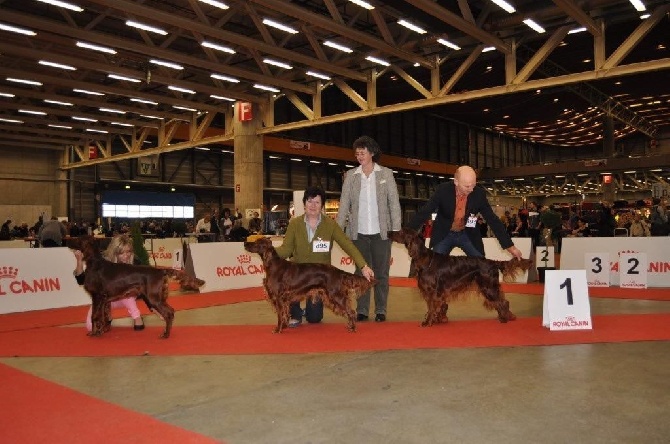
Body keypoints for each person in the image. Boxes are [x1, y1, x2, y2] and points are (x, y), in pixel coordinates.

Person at [276, 186, 374, 328]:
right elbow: (286, 250)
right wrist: (269, 251)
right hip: (297, 277)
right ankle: (295, 313)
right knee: (290, 293)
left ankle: (308, 311)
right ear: (304, 203)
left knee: (314, 318)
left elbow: (347, 245)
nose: (313, 205)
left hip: (320, 278)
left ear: (322, 205)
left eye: (317, 202)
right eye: (310, 201)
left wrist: (363, 265)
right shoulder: (295, 224)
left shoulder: (330, 225)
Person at [336, 136, 402, 323]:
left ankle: (381, 309)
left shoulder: (386, 174)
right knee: (361, 272)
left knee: (381, 273)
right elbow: (344, 206)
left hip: (381, 233)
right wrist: (338, 231)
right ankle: (362, 309)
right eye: (357, 153)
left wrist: (395, 231)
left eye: (362, 153)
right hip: (359, 233)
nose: (359, 156)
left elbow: (394, 204)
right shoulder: (350, 176)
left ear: (372, 153)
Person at [409, 165, 523, 260]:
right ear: (456, 181)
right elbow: (425, 211)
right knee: (434, 267)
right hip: (445, 233)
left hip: (467, 234)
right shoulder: (442, 190)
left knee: (481, 266)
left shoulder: (479, 194)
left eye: (473, 185)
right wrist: (407, 232)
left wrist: (510, 246)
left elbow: (492, 220)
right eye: (467, 186)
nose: (471, 189)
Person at [73, 234, 145, 331]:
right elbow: (81, 280)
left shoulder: (136, 263)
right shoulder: (102, 262)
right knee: (90, 327)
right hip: (106, 298)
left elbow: (145, 289)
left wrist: (156, 309)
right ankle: (108, 316)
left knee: (126, 290)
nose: (126, 255)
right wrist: (79, 261)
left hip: (127, 296)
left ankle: (137, 318)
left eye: (128, 251)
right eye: (121, 253)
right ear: (114, 252)